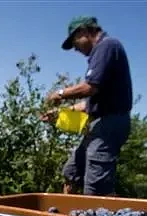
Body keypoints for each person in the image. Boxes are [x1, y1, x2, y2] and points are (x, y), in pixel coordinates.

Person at [42, 16, 133, 196]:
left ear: (84, 32)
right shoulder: (102, 51)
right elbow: (89, 104)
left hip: (109, 124)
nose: (75, 48)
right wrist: (59, 114)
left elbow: (89, 87)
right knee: (71, 172)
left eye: (74, 42)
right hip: (100, 124)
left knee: (96, 187)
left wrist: (60, 94)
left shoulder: (107, 46)